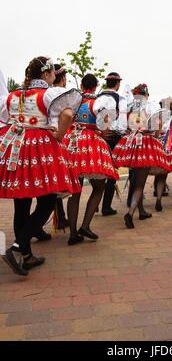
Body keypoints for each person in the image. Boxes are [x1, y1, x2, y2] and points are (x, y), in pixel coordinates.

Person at [0, 56, 82, 276]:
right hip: (40, 148)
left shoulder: (12, 96)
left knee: (21, 202)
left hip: (16, 147)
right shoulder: (48, 94)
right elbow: (67, 114)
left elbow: (5, 118)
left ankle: (26, 257)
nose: (54, 77)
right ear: (45, 75)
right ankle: (18, 247)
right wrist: (60, 135)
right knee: (47, 200)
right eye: (53, 74)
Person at [65, 74, 119, 245]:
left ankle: (73, 233)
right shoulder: (100, 102)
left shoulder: (73, 101)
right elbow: (104, 125)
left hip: (72, 142)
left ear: (81, 85)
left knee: (75, 190)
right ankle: (85, 226)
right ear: (96, 86)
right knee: (99, 186)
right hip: (91, 144)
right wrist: (102, 131)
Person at [112, 83, 169, 228]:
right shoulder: (151, 105)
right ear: (146, 94)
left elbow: (121, 127)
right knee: (140, 184)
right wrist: (155, 134)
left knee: (136, 179)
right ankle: (130, 213)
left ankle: (141, 210)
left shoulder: (130, 107)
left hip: (131, 142)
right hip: (146, 144)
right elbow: (158, 127)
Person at [96, 73, 128, 216]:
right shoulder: (120, 99)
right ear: (118, 84)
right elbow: (121, 122)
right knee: (111, 172)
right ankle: (106, 206)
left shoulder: (98, 96)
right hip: (113, 137)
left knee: (99, 170)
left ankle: (95, 201)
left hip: (99, 136)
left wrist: (101, 129)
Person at [52, 64, 69, 229]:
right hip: (60, 138)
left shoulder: (47, 93)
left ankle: (60, 217)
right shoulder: (65, 95)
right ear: (62, 78)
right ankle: (61, 217)